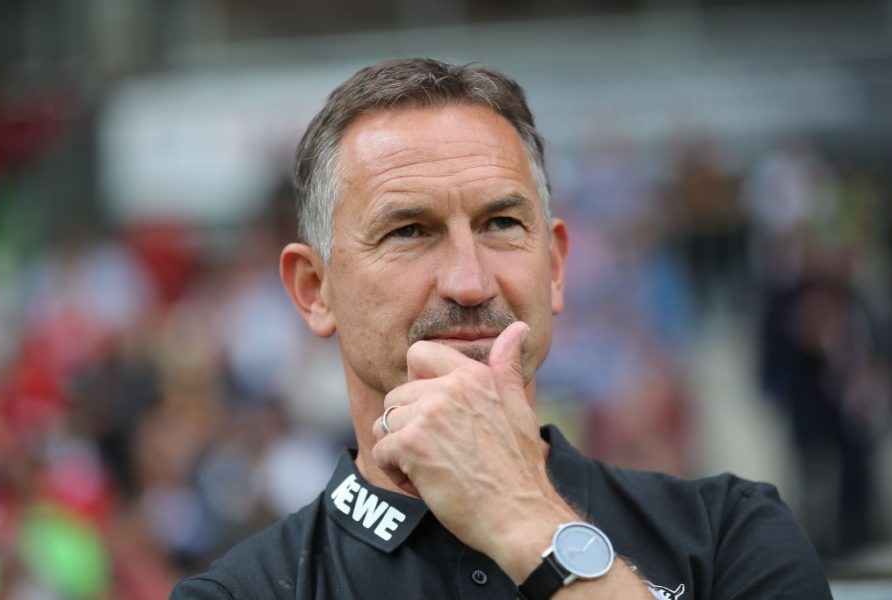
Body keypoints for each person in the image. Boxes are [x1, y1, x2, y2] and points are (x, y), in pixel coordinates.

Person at [171, 58, 831, 599]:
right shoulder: (239, 594)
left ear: (554, 268)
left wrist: (524, 518)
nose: (469, 281)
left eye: (501, 224)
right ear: (315, 291)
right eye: (409, 231)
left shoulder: (731, 535)